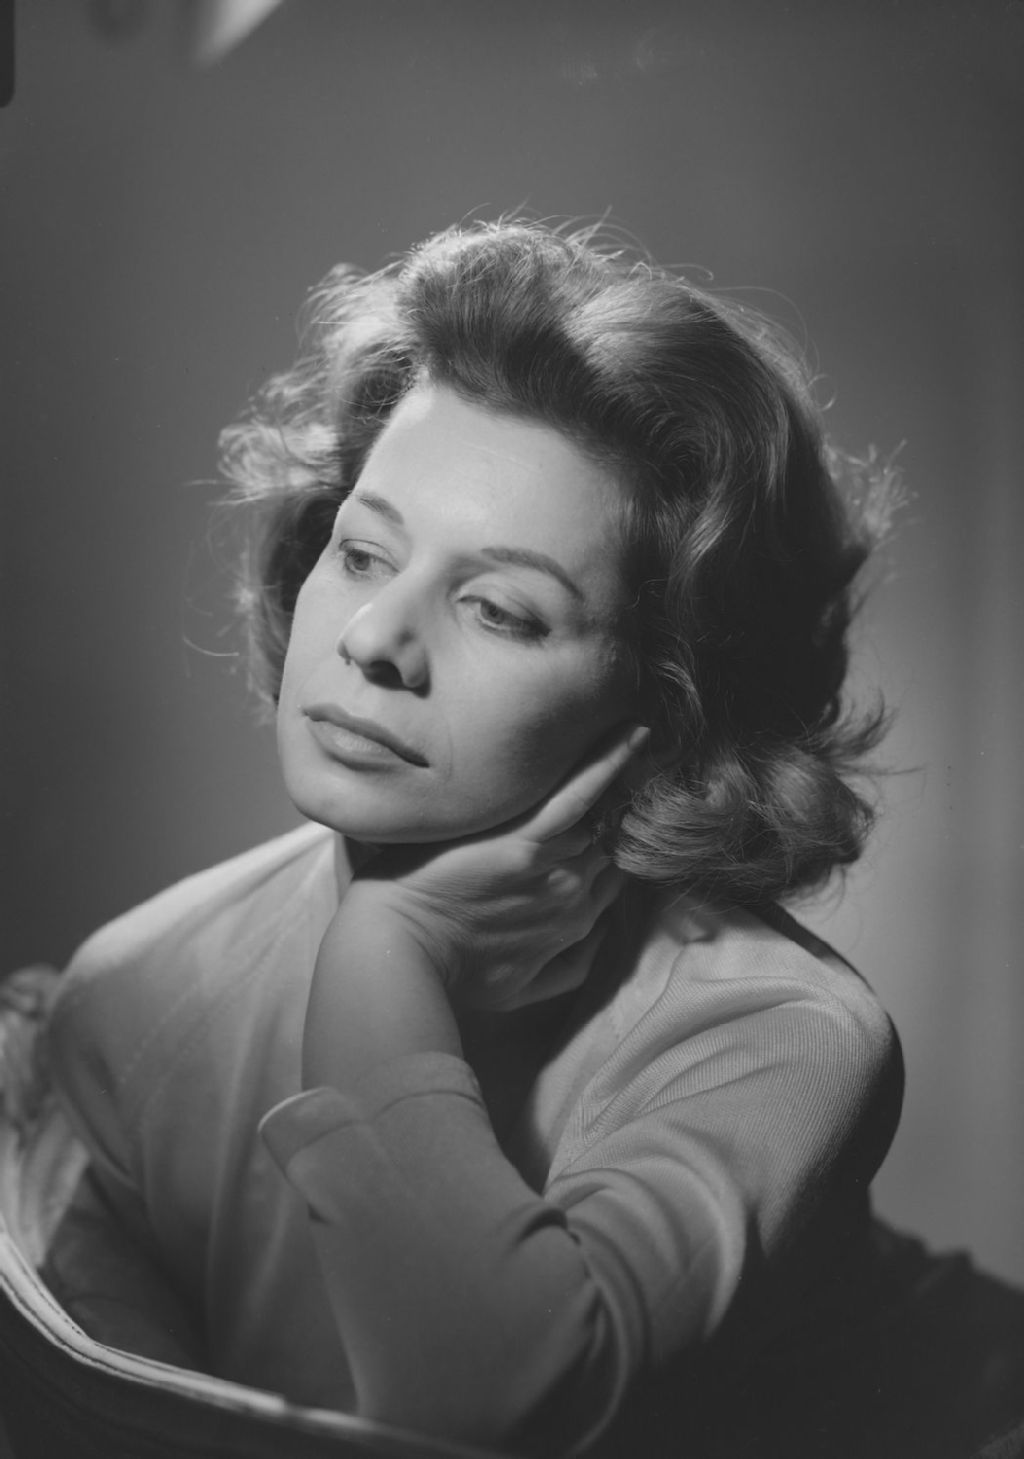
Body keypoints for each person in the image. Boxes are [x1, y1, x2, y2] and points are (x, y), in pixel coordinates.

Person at [42, 219, 904, 1456]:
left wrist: (379, 960)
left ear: (668, 701)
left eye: (499, 608)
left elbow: (490, 1407)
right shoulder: (136, 997)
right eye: (362, 551)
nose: (373, 639)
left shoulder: (777, 1035)